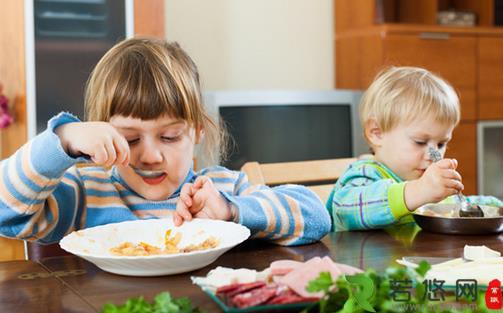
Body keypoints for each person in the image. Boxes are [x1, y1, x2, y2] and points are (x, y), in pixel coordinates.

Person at [0, 37, 330, 246]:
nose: (151, 156)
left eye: (170, 136)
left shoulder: (218, 188)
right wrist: (62, 139)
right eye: (129, 139)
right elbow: (6, 215)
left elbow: (316, 217)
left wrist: (231, 211)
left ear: (197, 131)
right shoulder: (86, 193)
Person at [327, 66, 503, 231]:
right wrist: (418, 191)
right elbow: (346, 209)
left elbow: (453, 206)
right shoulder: (364, 174)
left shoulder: (428, 183)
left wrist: (493, 207)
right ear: (377, 133)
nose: (433, 155)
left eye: (441, 144)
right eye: (420, 142)